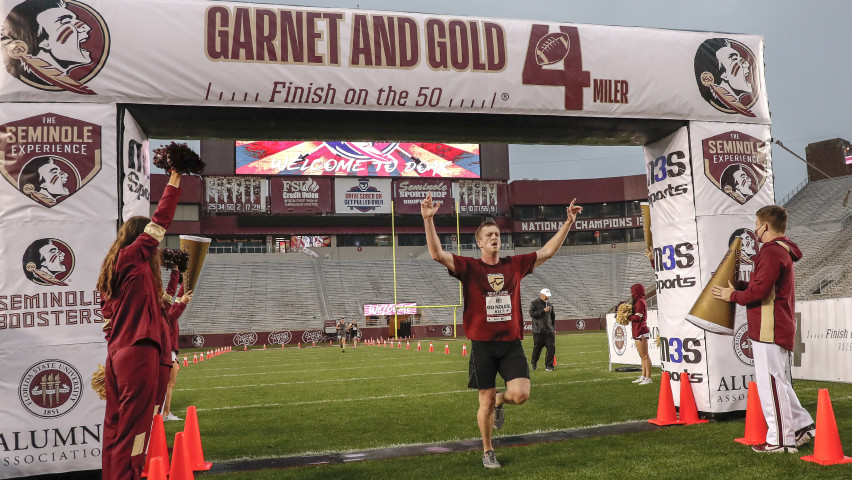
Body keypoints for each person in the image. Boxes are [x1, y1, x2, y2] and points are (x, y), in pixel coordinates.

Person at [422, 192, 582, 469]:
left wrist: (568, 222)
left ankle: (500, 400)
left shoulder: (514, 265)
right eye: (489, 235)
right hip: (482, 344)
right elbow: (437, 254)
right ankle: (487, 450)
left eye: (497, 234)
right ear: (479, 242)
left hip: (510, 344)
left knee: (520, 395)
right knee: (483, 401)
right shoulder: (469, 267)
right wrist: (428, 220)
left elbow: (547, 252)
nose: (495, 237)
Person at [97, 169, 182, 480]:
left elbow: (110, 321)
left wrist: (175, 278)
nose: (155, 248)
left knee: (115, 426)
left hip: (117, 355)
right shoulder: (133, 257)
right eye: (150, 242)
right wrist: (175, 179)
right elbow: (161, 221)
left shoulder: (116, 270)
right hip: (139, 352)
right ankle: (128, 476)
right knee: (136, 429)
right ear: (139, 239)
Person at [712, 205, 815, 453]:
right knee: (778, 381)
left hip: (769, 327)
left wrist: (732, 295)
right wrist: (741, 286)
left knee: (771, 385)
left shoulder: (770, 252)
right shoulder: (781, 250)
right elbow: (763, 285)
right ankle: (802, 425)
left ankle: (781, 441)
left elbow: (760, 291)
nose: (755, 230)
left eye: (757, 225)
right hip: (776, 324)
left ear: (765, 226)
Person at [162, 268, 193, 422]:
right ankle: (165, 414)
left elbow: (177, 295)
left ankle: (164, 413)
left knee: (169, 384)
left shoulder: (166, 308)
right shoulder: (163, 312)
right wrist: (183, 304)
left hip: (169, 350)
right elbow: (173, 313)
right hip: (166, 351)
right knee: (169, 384)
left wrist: (186, 278)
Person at [628, 284, 652, 385]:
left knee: (645, 356)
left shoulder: (640, 302)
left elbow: (638, 317)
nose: (631, 293)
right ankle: (643, 376)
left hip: (641, 330)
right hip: (637, 330)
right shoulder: (638, 301)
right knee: (642, 356)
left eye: (632, 291)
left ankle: (648, 378)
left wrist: (627, 317)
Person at [529, 288, 556, 371]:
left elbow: (552, 317)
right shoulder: (534, 303)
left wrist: (553, 329)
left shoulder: (550, 305)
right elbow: (532, 314)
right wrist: (543, 310)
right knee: (537, 348)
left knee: (551, 348)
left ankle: (549, 366)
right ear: (542, 295)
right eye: (546, 295)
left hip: (549, 331)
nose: (548, 297)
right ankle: (534, 363)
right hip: (538, 331)